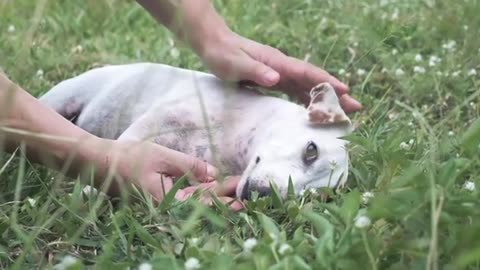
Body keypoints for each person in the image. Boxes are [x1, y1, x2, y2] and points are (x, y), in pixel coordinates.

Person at [0, 0, 362, 210]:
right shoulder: (249, 114)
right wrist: (101, 165)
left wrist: (212, 35)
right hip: (95, 94)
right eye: (309, 153)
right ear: (316, 111)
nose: (283, 187)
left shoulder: (265, 154)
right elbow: (163, 119)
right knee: (40, 108)